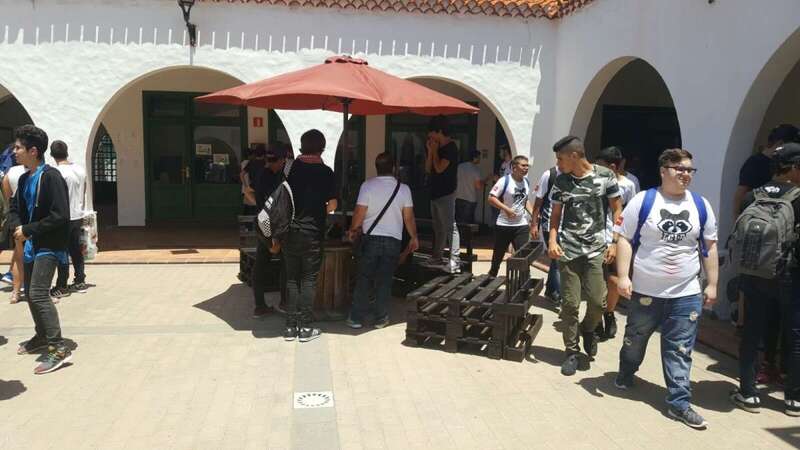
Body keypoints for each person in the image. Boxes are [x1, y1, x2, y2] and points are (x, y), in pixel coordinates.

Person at [614, 148, 718, 429]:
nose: (685, 174)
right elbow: (624, 239)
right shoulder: (643, 201)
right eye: (679, 169)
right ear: (663, 170)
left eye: (689, 170)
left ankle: (679, 403)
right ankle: (627, 370)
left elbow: (709, 246)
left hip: (686, 292)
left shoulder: (700, 205)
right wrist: (623, 276)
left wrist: (712, 284)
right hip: (647, 291)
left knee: (680, 349)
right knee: (635, 341)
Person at [730, 143, 800, 417]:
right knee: (795, 335)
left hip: (755, 274)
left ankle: (747, 393)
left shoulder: (753, 196)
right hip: (791, 275)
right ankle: (794, 399)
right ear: (794, 167)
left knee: (752, 331)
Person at [547, 136, 621, 376]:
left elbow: (617, 209)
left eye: (560, 158)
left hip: (596, 249)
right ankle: (571, 351)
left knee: (598, 302)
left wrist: (615, 241)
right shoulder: (562, 180)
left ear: (574, 156)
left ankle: (588, 330)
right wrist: (552, 240)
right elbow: (555, 214)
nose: (558, 164)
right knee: (569, 304)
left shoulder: (605, 176)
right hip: (568, 249)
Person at [9, 125, 72, 374]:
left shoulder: (52, 177)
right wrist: (18, 227)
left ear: (33, 151)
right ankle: (42, 336)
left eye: (18, 147)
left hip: (50, 244)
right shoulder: (24, 178)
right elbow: (15, 208)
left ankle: (58, 349)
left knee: (37, 293)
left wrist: (29, 229)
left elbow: (61, 215)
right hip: (31, 243)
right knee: (30, 292)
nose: (14, 152)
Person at [346, 153, 419, 329]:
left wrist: (353, 230)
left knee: (364, 279)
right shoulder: (404, 189)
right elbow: (408, 218)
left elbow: (359, 213)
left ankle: (356, 318)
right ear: (394, 168)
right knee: (385, 281)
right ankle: (381, 318)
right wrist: (414, 237)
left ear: (376, 167)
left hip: (370, 239)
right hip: (393, 240)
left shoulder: (367, 186)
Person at [281, 129, 336, 342]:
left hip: (289, 231)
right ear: (322, 147)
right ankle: (305, 328)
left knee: (292, 279)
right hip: (313, 233)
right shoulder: (327, 172)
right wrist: (317, 209)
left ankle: (289, 327)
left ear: (302, 145)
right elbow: (332, 204)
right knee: (309, 280)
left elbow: (281, 196)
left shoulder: (289, 167)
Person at [594, 146, 638, 339]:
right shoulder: (593, 182)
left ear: (612, 166)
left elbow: (631, 214)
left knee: (613, 280)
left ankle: (609, 313)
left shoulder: (628, 185)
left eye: (600, 166)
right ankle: (595, 319)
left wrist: (617, 239)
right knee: (595, 281)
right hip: (595, 237)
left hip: (617, 239)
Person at [250, 144, 287, 318]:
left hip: (266, 223)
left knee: (263, 264)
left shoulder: (266, 174)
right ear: (280, 160)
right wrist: (274, 239)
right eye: (283, 161)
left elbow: (250, 194)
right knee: (279, 263)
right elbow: (272, 210)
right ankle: (279, 303)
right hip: (271, 226)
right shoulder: (272, 177)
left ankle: (262, 305)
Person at [49, 140, 88, 299]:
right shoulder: (79, 170)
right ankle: (79, 280)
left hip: (63, 217)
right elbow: (84, 191)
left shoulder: (55, 172)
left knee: (61, 251)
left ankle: (62, 285)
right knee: (76, 250)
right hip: (77, 215)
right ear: (66, 151)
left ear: (51, 155)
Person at [423, 115, 460, 273]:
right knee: (438, 227)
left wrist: (435, 151)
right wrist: (431, 152)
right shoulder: (436, 149)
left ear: (439, 131)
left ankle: (455, 261)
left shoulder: (451, 148)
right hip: (435, 193)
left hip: (446, 193)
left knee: (450, 227)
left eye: (431, 133)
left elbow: (439, 168)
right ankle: (437, 257)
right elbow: (428, 168)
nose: (429, 137)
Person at [487, 155, 534, 277]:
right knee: (498, 255)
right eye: (523, 165)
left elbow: (525, 200)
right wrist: (506, 209)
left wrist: (533, 214)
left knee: (523, 255)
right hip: (504, 225)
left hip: (521, 225)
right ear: (514, 167)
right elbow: (491, 198)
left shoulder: (526, 182)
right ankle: (492, 275)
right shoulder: (504, 181)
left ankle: (525, 281)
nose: (526, 168)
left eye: (527, 165)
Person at [531, 163, 561, 308]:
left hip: (567, 226)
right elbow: (538, 200)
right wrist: (534, 223)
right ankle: (559, 295)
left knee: (556, 260)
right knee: (558, 259)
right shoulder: (549, 175)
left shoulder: (575, 174)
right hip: (549, 222)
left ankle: (550, 290)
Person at [3, 160, 27, 303]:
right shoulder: (29, 173)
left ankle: (16, 292)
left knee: (19, 257)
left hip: (16, 217)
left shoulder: (11, 172)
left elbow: (7, 194)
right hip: (25, 217)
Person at [454, 149, 485, 224]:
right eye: (479, 157)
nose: (479, 159)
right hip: (470, 199)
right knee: (467, 224)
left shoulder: (459, 166)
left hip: (458, 197)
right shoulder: (475, 169)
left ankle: (458, 236)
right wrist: (486, 180)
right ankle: (465, 236)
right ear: (475, 158)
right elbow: (478, 186)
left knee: (458, 221)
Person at [241, 144, 266, 215]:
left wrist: (246, 186)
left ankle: (248, 225)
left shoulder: (251, 162)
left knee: (249, 209)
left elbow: (241, 174)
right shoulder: (266, 164)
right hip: (262, 189)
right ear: (264, 154)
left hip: (251, 187)